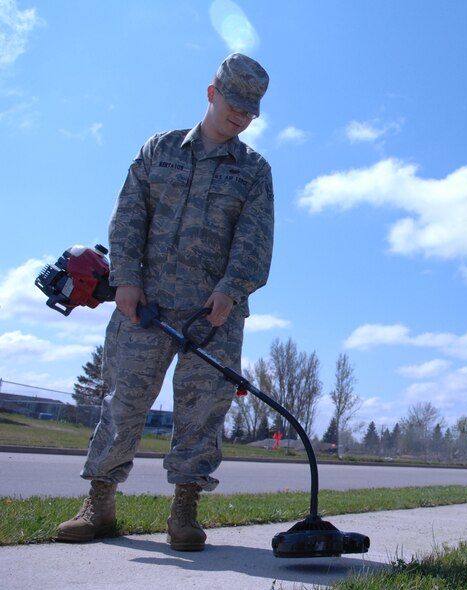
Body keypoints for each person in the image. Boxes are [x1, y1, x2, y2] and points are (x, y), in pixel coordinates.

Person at [56, 53, 274, 552]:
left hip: (213, 315)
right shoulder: (160, 149)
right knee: (123, 404)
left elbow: (255, 241)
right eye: (234, 104)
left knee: (202, 413)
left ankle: (184, 511)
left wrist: (229, 290)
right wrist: (126, 278)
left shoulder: (254, 171)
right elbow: (129, 215)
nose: (240, 116)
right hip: (144, 305)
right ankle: (100, 503)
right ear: (211, 92)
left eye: (250, 111)